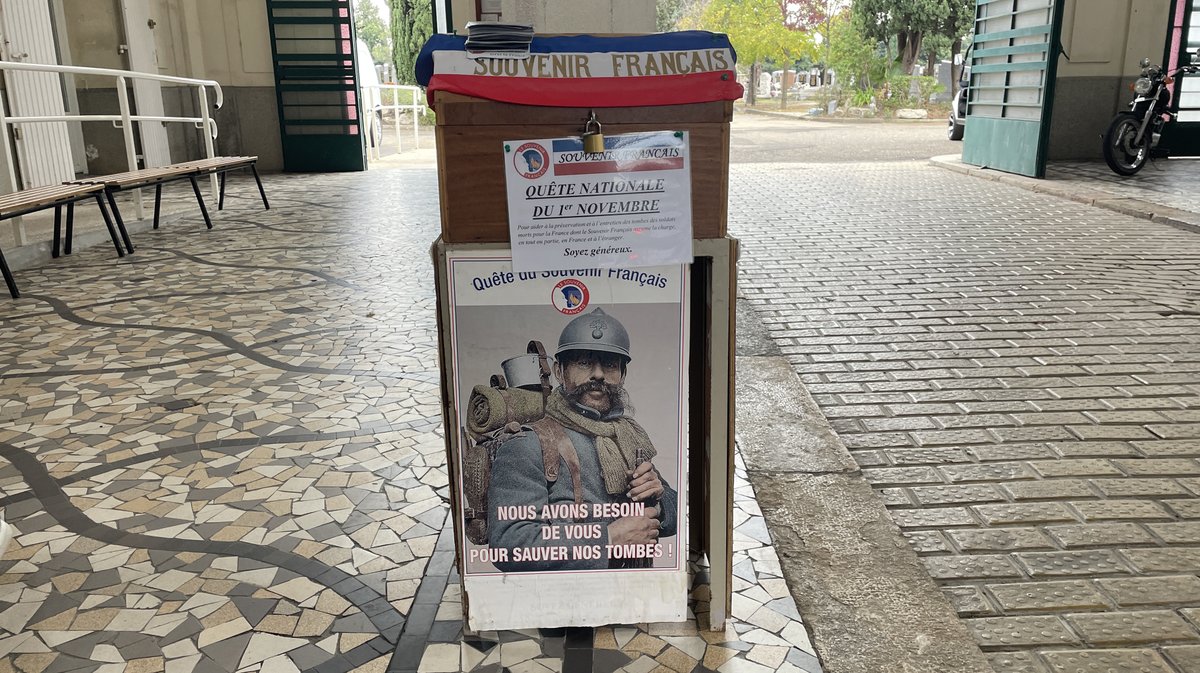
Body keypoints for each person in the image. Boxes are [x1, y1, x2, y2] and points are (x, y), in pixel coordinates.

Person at [485, 307, 678, 572]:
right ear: (559, 371)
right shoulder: (528, 445)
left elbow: (677, 517)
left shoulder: (627, 436)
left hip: (631, 591)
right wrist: (609, 539)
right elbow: (508, 545)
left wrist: (658, 497)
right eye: (584, 363)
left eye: (609, 364)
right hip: (563, 599)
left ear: (622, 374)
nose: (598, 374)